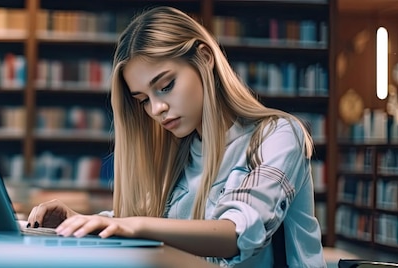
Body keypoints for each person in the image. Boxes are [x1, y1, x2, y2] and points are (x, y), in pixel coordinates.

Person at [26, 6, 326, 267]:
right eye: (143, 99)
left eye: (166, 85)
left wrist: (131, 225)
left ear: (204, 58)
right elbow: (153, 218)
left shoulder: (277, 134)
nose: (156, 109)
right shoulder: (179, 152)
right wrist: (78, 223)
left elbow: (237, 234)